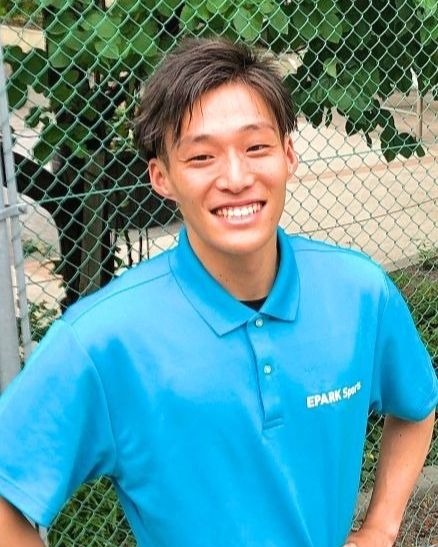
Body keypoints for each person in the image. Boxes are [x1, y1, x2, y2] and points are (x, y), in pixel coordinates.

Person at [0, 37, 436, 547]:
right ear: (162, 177)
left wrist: (380, 528)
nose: (235, 177)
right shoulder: (101, 340)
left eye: (256, 147)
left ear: (288, 155)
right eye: (202, 156)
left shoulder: (359, 293)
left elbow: (417, 405)